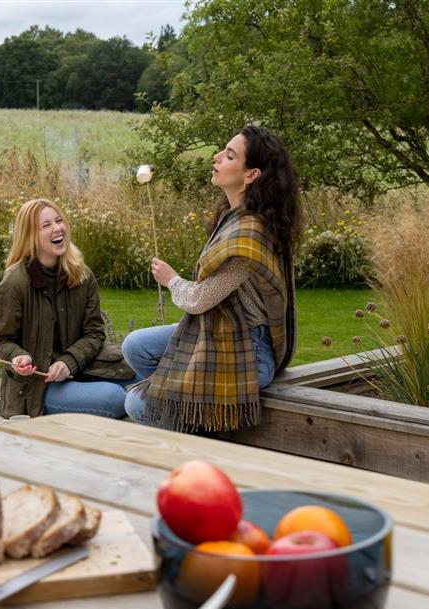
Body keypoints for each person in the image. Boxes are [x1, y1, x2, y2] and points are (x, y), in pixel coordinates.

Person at [122, 124, 302, 433]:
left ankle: (205, 428)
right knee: (135, 346)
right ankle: (187, 403)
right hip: (217, 332)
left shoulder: (252, 232)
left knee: (136, 406)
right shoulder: (232, 217)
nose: (217, 157)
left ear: (251, 175)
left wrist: (171, 280)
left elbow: (199, 299)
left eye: (229, 155)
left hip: (249, 349)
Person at [0, 198, 136, 419]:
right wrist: (19, 357)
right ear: (30, 235)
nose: (57, 228)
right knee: (113, 398)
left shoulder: (81, 274)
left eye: (59, 221)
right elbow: (1, 342)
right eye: (46, 225)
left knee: (145, 377)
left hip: (81, 370)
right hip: (38, 388)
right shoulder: (14, 283)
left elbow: (94, 333)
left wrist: (68, 362)